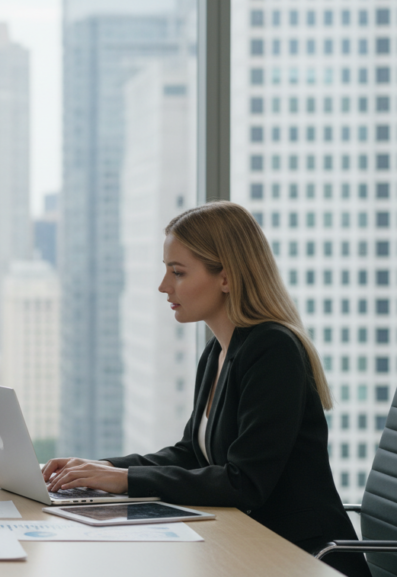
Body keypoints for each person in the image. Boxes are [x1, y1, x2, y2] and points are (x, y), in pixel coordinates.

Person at [43, 201, 369, 577]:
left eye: (178, 272)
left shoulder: (273, 350)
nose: (164, 286)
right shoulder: (219, 349)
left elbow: (243, 483)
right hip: (250, 546)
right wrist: (102, 469)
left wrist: (125, 480)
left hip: (302, 558)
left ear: (227, 278)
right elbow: (191, 454)